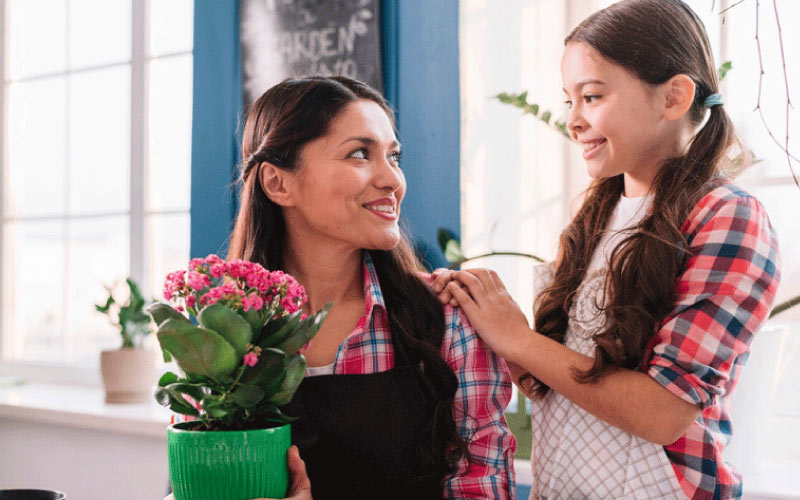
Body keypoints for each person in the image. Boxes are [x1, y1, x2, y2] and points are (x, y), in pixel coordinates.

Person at [431, 1, 781, 499]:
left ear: (674, 97)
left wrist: (520, 340)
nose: (573, 120)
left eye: (591, 96)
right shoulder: (595, 217)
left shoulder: (729, 218)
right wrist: (489, 324)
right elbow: (558, 385)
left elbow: (664, 413)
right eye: (569, 100)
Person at [168, 76, 516, 500]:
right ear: (278, 183)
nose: (393, 180)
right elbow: (193, 489)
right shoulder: (221, 340)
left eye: (394, 156)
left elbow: (482, 487)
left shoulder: (449, 320)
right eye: (359, 154)